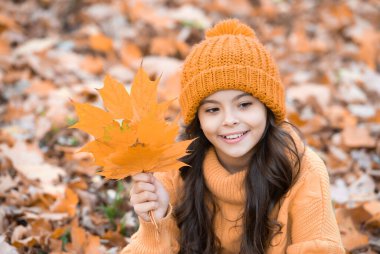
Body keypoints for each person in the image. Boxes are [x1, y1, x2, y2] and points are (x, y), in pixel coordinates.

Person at [121, 18, 344, 254]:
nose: (229, 120)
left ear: (267, 108)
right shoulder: (175, 169)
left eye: (244, 104)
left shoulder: (304, 170)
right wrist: (154, 223)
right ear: (198, 119)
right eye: (213, 109)